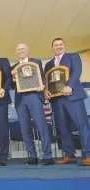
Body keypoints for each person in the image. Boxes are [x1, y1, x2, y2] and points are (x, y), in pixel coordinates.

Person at [44, 38, 90, 166]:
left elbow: (77, 72)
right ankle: (69, 155)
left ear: (64, 45)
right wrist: (46, 90)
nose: (58, 47)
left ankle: (88, 155)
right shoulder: (48, 64)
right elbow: (47, 80)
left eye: (60, 44)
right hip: (57, 99)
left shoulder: (73, 56)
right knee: (63, 128)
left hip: (72, 96)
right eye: (56, 45)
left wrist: (69, 85)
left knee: (82, 125)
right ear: (52, 47)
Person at [11, 43, 54, 165]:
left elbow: (42, 77)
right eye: (19, 49)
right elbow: (10, 85)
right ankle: (32, 156)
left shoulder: (36, 62)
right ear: (16, 52)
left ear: (27, 50)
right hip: (20, 99)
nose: (21, 51)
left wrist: (43, 85)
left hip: (34, 96)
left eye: (23, 49)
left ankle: (47, 156)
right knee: (25, 129)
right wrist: (13, 76)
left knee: (41, 126)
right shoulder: (14, 67)